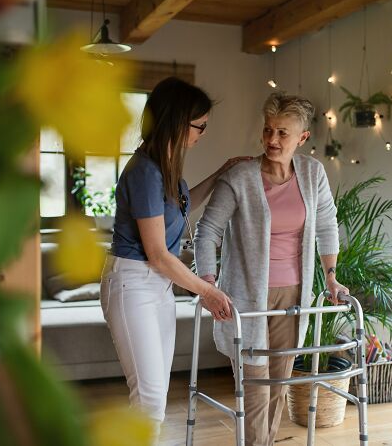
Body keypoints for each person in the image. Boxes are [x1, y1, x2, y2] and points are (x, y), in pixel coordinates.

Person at [194, 92, 350, 446]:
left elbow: (326, 225)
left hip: (294, 295)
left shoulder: (312, 173)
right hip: (246, 299)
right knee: (253, 389)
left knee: (277, 387)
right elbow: (208, 230)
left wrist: (330, 277)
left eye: (282, 133)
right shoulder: (241, 176)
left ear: (302, 138)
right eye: (267, 130)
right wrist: (206, 283)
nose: (272, 140)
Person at [99, 77, 248, 436]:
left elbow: (182, 210)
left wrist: (221, 174)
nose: (202, 134)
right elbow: (157, 254)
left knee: (155, 399)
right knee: (149, 401)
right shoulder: (145, 172)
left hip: (157, 287)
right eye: (201, 126)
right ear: (180, 122)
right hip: (134, 283)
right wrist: (207, 292)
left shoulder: (165, 169)